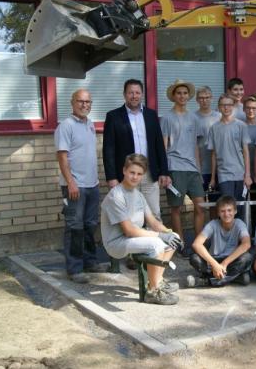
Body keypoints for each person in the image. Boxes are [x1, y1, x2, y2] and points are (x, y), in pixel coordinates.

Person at [100, 154, 182, 305]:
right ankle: (152, 292)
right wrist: (160, 236)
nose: (135, 177)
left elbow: (153, 222)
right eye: (132, 172)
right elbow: (128, 230)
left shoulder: (138, 195)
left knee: (174, 237)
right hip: (117, 242)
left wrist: (169, 234)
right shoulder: (116, 195)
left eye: (139, 174)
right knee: (156, 244)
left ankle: (156, 281)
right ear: (124, 170)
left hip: (133, 238)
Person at [54, 89, 104, 283]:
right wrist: (70, 182)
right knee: (74, 226)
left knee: (90, 225)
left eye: (88, 102)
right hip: (74, 186)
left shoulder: (90, 125)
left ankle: (90, 261)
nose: (85, 105)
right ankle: (75, 269)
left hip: (92, 185)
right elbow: (62, 157)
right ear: (72, 103)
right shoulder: (65, 126)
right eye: (81, 101)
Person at [103, 79, 170, 220]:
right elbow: (108, 149)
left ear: (142, 95)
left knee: (154, 214)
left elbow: (159, 146)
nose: (134, 96)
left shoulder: (151, 115)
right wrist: (112, 177)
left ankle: (155, 242)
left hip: (149, 174)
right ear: (124, 94)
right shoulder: (113, 116)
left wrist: (164, 171)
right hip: (128, 174)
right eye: (130, 93)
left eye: (137, 92)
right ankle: (134, 242)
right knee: (131, 216)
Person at [160, 79, 206, 254]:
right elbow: (163, 147)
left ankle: (198, 243)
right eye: (179, 93)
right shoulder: (166, 118)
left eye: (185, 93)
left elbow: (195, 146)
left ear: (189, 96)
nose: (182, 96)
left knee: (200, 206)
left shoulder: (194, 118)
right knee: (176, 207)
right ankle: (179, 243)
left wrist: (199, 170)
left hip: (192, 169)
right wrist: (165, 172)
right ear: (173, 96)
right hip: (175, 167)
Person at [187, 195, 253, 287]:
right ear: (218, 213)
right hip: (214, 259)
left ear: (235, 211)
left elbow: (246, 244)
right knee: (194, 258)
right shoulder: (212, 224)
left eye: (229, 210)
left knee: (247, 257)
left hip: (231, 261)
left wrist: (224, 263)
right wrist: (215, 265)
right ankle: (236, 277)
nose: (226, 214)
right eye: (222, 211)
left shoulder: (239, 224)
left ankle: (206, 281)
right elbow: (196, 244)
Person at [207, 95, 252, 219]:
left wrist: (247, 175)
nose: (226, 107)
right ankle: (229, 237)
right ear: (219, 107)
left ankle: (241, 238)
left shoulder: (241, 126)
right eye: (223, 105)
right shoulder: (214, 128)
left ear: (233, 106)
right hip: (224, 174)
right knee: (228, 208)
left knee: (240, 209)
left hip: (240, 173)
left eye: (229, 105)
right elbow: (213, 154)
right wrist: (212, 178)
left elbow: (246, 151)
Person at [194, 85, 222, 207]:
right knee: (200, 205)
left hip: (219, 168)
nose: (204, 100)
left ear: (212, 98)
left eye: (207, 97)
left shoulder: (219, 117)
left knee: (215, 205)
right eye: (201, 98)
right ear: (197, 100)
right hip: (201, 168)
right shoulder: (192, 118)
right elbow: (193, 145)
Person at [242, 96, 256, 232]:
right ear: (244, 109)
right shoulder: (239, 125)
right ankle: (243, 236)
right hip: (242, 172)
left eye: (254, 108)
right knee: (242, 207)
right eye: (248, 108)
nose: (251, 110)